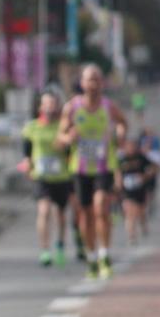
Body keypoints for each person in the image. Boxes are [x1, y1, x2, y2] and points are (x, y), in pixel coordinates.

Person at [59, 63, 128, 278]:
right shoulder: (72, 107)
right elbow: (60, 137)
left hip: (104, 166)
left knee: (101, 207)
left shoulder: (109, 106)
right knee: (86, 215)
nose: (93, 84)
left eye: (97, 79)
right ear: (82, 83)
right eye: (90, 79)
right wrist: (68, 137)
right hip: (80, 169)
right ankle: (91, 257)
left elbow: (123, 123)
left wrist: (119, 133)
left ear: (102, 83)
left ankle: (104, 255)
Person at [21, 91, 74, 267]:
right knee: (43, 211)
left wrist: (66, 143)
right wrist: (27, 163)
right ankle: (45, 250)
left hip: (61, 176)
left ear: (58, 106)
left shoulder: (63, 126)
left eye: (53, 103)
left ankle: (60, 245)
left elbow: (70, 151)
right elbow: (27, 150)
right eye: (47, 103)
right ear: (40, 107)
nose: (50, 107)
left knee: (60, 214)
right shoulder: (32, 127)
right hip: (41, 176)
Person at [117, 135, 157, 245]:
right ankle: (131, 235)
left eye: (133, 146)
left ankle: (143, 225)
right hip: (127, 191)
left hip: (140, 190)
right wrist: (118, 184)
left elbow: (154, 167)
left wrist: (145, 176)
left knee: (140, 211)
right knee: (129, 212)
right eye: (129, 146)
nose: (131, 148)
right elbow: (117, 172)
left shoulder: (141, 158)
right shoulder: (122, 160)